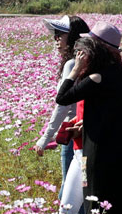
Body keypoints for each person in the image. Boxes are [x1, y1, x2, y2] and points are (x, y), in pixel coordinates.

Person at [56, 22, 122, 214]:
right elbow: (115, 115)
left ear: (96, 50)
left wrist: (75, 69)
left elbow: (63, 97)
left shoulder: (97, 78)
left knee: (95, 210)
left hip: (94, 159)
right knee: (121, 212)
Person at [35, 15, 90, 189]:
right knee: (82, 186)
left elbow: (63, 105)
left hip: (74, 138)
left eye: (60, 34)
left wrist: (45, 138)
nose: (56, 39)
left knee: (71, 190)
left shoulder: (72, 65)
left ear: (73, 37)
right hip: (83, 134)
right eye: (55, 34)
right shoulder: (86, 63)